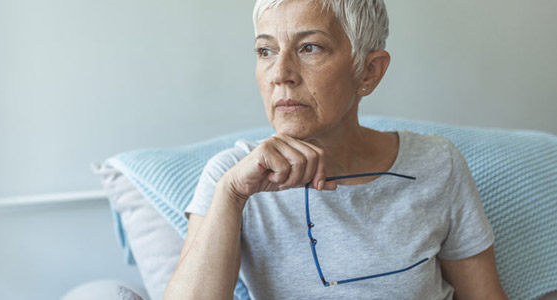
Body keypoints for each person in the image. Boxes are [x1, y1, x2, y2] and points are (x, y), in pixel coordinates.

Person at [164, 0, 509, 299]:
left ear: (368, 72)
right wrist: (232, 194)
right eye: (265, 51)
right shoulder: (233, 177)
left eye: (309, 47)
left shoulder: (437, 163)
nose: (280, 74)